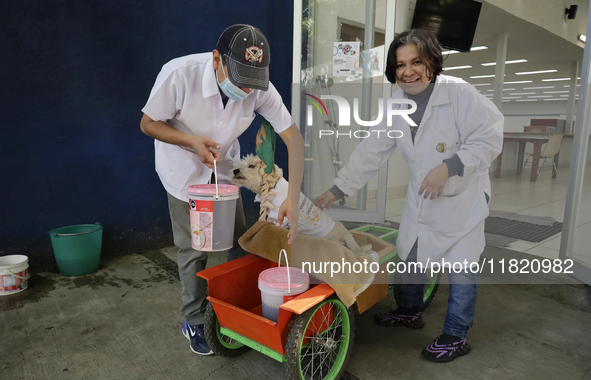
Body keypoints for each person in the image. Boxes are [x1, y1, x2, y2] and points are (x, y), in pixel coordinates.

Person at [314, 29, 503, 362]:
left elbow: (488, 138)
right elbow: (372, 150)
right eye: (400, 65)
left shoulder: (460, 94)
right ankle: (409, 311)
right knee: (412, 255)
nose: (408, 71)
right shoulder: (397, 105)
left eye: (417, 61)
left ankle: (455, 335)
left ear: (432, 61)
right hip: (423, 198)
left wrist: (451, 165)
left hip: (462, 199)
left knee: (462, 269)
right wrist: (338, 189)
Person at [140, 24, 303, 355]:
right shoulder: (178, 74)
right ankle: (195, 318)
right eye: (239, 77)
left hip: (224, 169)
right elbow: (148, 123)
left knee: (238, 240)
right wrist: (190, 141)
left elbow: (295, 141)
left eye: (252, 81)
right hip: (183, 171)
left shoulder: (259, 87)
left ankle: (236, 308)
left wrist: (294, 201)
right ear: (217, 59)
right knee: (193, 247)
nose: (245, 88)